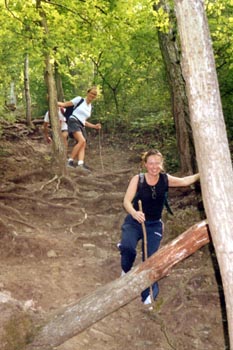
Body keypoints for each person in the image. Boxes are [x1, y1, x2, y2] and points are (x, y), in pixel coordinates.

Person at [118, 149, 200, 305]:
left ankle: (148, 293)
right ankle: (125, 269)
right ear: (145, 164)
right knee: (128, 247)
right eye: (151, 163)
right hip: (134, 221)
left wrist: (201, 174)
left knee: (150, 260)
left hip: (154, 224)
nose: (154, 166)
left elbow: (184, 181)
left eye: (157, 163)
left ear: (161, 164)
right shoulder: (138, 179)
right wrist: (135, 213)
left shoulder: (165, 179)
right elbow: (126, 202)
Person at [58, 86, 101, 171]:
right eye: (92, 93)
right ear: (88, 93)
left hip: (81, 125)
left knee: (83, 143)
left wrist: (94, 126)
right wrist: (52, 101)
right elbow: (64, 104)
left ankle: (80, 164)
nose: (92, 95)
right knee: (82, 140)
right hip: (73, 121)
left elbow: (83, 121)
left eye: (95, 94)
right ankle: (69, 162)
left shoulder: (90, 107)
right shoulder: (79, 99)